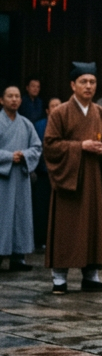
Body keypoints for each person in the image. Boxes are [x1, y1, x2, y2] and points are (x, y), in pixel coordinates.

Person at [44, 63, 102, 293]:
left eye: (92, 82)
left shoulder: (100, 112)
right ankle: (59, 278)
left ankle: (91, 275)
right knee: (66, 229)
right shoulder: (61, 113)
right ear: (72, 85)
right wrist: (80, 147)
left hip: (95, 180)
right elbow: (50, 145)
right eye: (83, 82)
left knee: (93, 227)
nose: (89, 86)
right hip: (71, 180)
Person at [0, 86, 41, 271]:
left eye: (17, 96)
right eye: (10, 96)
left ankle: (19, 257)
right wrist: (9, 157)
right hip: (3, 177)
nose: (14, 99)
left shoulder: (26, 124)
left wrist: (23, 155)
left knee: (20, 215)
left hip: (20, 177)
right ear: (2, 100)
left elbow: (37, 147)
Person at [31, 98, 61, 253]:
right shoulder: (39, 126)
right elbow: (36, 148)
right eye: (53, 106)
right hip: (43, 173)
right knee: (42, 209)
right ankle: (41, 240)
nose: (56, 108)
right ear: (48, 110)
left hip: (61, 175)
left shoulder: (66, 125)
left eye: (59, 105)